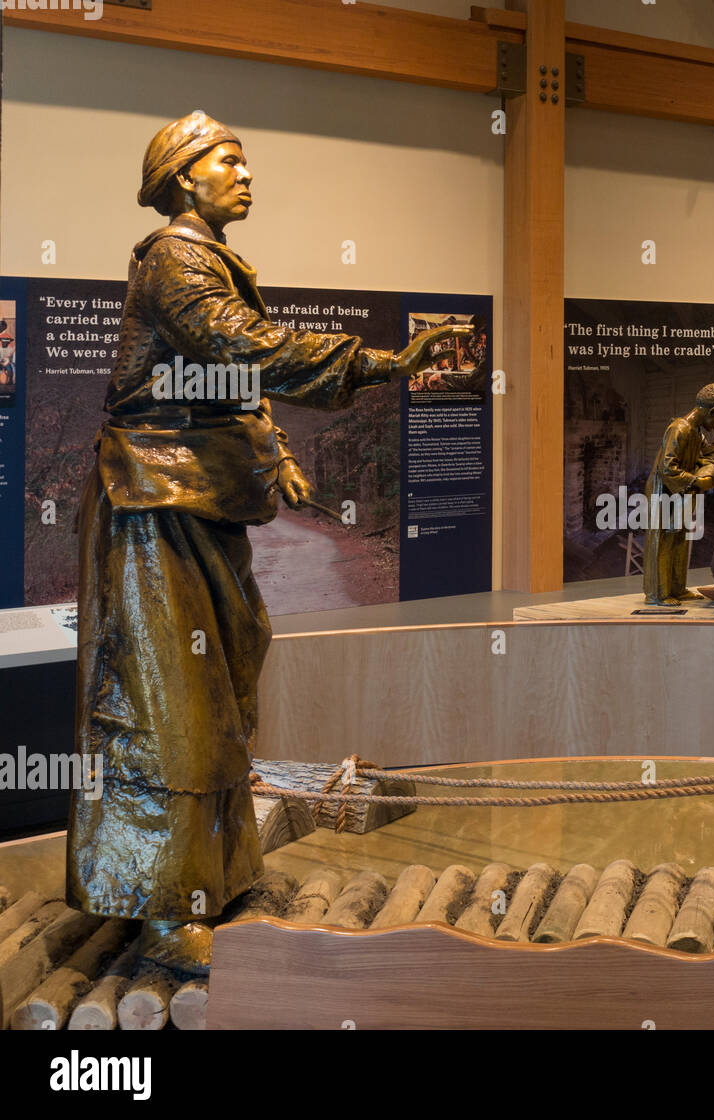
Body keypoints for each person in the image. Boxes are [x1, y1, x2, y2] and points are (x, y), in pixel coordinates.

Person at [66, 110, 468, 974]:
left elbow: (226, 380)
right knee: (171, 705)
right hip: (153, 507)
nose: (246, 176)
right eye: (228, 161)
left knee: (220, 684)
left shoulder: (209, 261)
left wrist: (273, 451)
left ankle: (215, 874)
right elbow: (241, 347)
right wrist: (384, 363)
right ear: (183, 178)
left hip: (195, 503)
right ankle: (165, 907)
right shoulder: (175, 256)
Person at [642, 382, 714, 605]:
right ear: (712, 411)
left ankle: (677, 588)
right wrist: (696, 481)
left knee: (680, 540)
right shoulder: (680, 428)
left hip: (681, 494)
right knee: (662, 542)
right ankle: (659, 593)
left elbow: (704, 457)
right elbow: (667, 468)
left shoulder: (696, 433)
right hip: (663, 493)